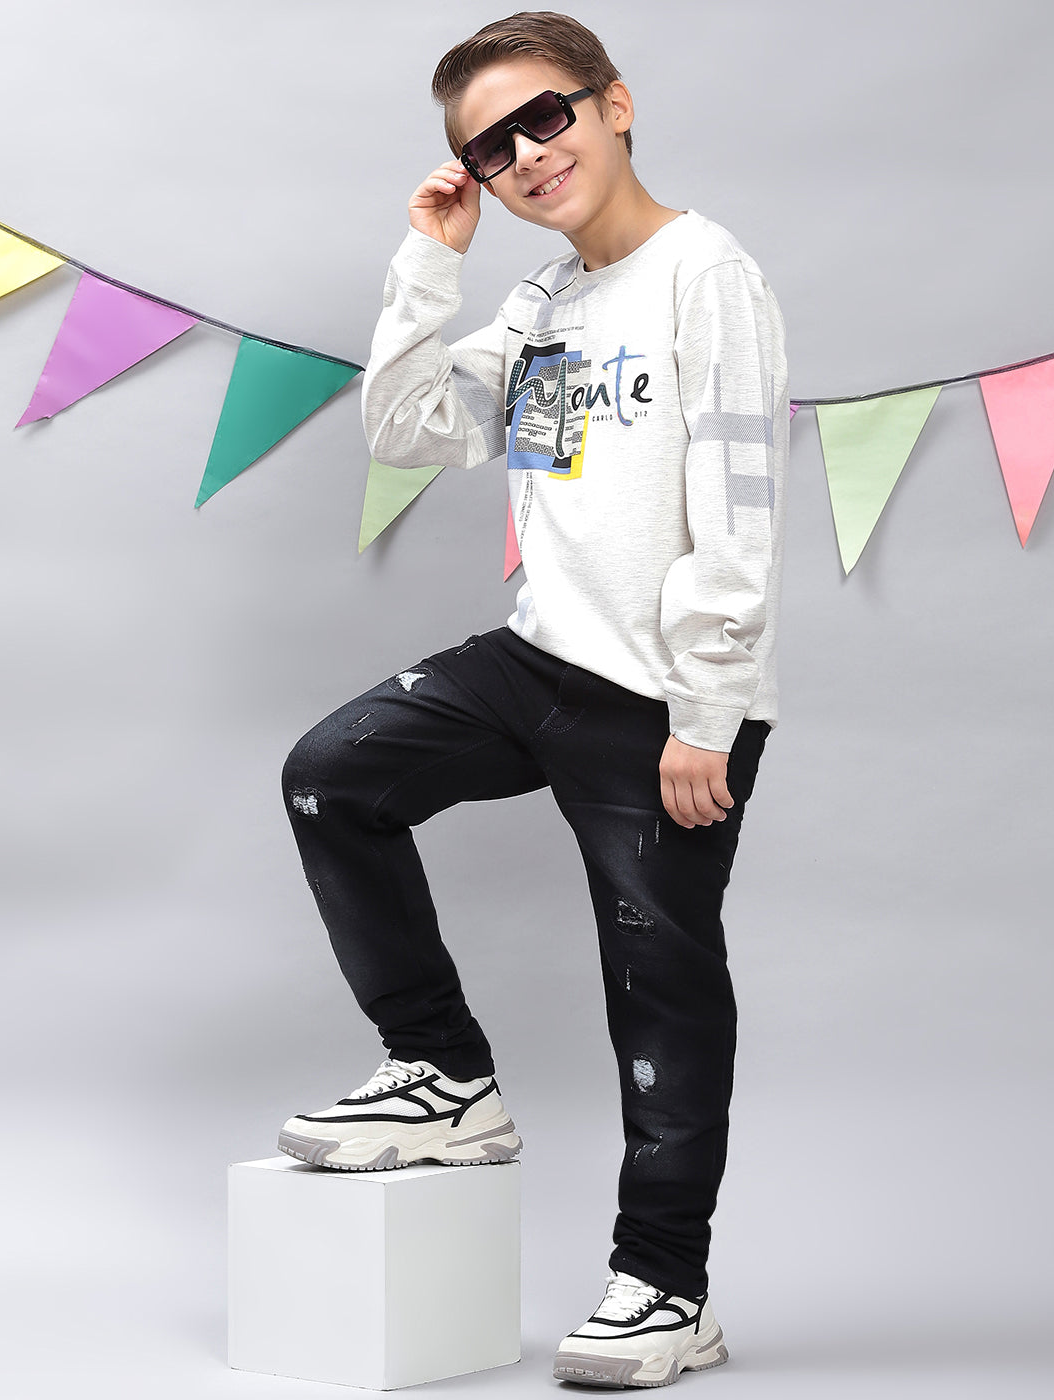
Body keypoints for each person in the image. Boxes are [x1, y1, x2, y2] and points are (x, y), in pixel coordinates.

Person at [277, 9, 788, 1388]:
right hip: (539, 660)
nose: (525, 157)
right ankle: (444, 1075)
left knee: (656, 984)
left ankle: (664, 1288)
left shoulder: (706, 274)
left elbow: (740, 500)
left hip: (663, 696)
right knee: (332, 776)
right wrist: (428, 262)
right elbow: (408, 431)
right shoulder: (543, 301)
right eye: (490, 149)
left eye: (544, 118)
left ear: (614, 104)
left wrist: (707, 711)